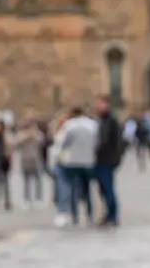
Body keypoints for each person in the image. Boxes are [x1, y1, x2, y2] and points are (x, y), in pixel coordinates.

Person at [51, 105, 99, 227]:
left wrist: (57, 158)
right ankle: (89, 215)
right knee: (87, 189)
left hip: (71, 161)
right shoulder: (93, 125)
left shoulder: (69, 125)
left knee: (71, 188)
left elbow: (61, 143)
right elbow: (97, 141)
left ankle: (74, 215)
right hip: (89, 161)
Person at [92, 96, 123, 227]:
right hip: (98, 160)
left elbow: (118, 142)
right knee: (103, 189)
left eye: (100, 104)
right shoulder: (99, 121)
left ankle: (112, 216)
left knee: (108, 188)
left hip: (107, 160)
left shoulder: (111, 121)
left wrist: (116, 159)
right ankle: (108, 214)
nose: (98, 106)